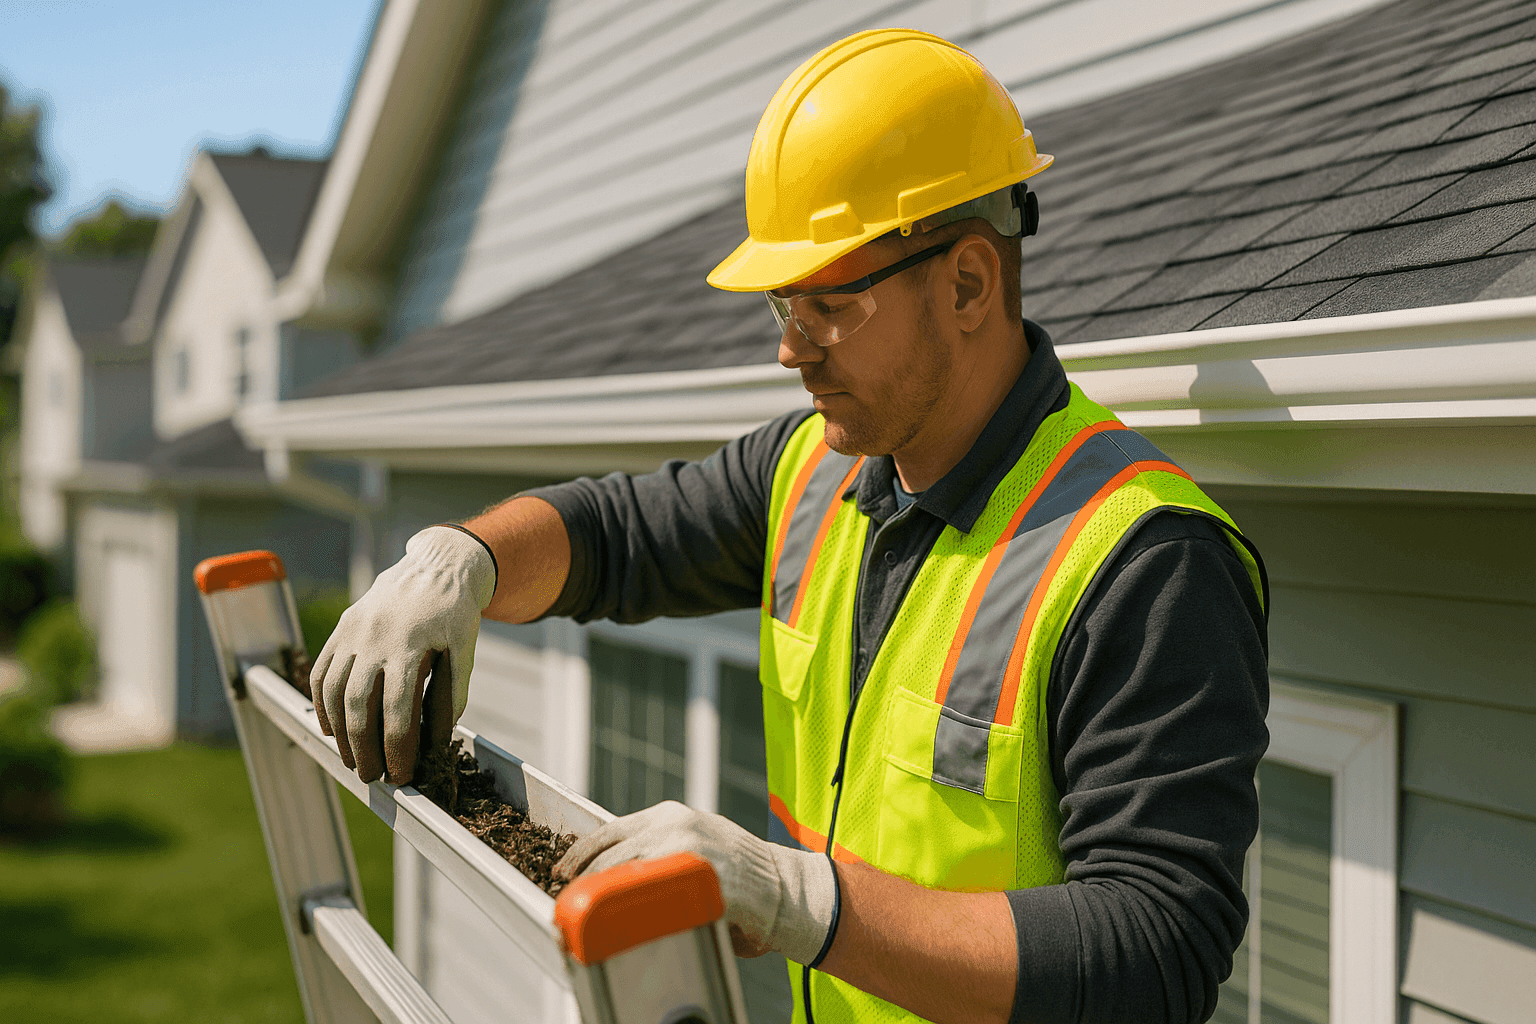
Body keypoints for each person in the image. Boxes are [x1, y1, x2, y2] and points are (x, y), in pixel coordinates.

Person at [311, 28, 1269, 1024]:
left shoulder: (1144, 560)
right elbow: (616, 535)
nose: (788, 349)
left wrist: (794, 897)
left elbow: (1158, 952)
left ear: (970, 283)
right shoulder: (812, 470)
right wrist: (459, 559)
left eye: (827, 302)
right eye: (782, 300)